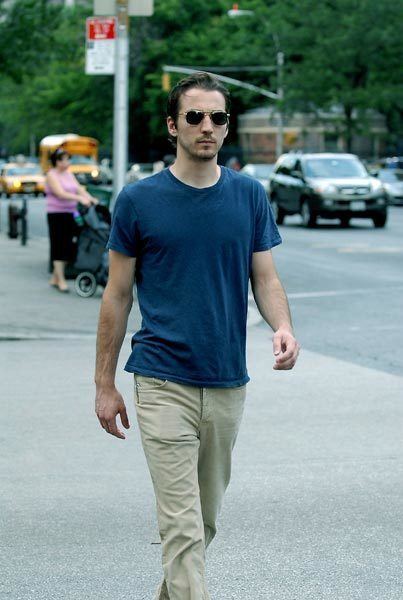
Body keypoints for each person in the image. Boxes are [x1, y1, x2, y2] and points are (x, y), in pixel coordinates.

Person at [95, 72, 300, 600]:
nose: (207, 126)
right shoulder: (139, 201)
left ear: (226, 127)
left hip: (228, 379)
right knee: (182, 528)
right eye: (194, 117)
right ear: (173, 126)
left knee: (204, 522)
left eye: (217, 117)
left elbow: (266, 277)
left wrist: (283, 326)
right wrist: (104, 384)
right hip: (163, 380)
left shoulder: (249, 196)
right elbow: (117, 295)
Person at [45, 148, 97, 292]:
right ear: (56, 161)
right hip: (56, 214)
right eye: (63, 159)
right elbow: (60, 193)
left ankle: (55, 277)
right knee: (58, 244)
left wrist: (90, 198)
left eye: (68, 159)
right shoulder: (51, 175)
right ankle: (60, 279)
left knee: (68, 244)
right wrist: (80, 198)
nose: (67, 162)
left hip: (70, 213)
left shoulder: (68, 174)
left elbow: (79, 188)